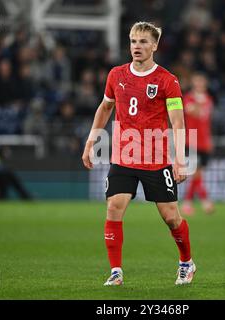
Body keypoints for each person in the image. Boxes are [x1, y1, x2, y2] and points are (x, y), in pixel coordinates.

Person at [82, 22, 195, 286]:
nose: (137, 46)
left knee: (170, 217)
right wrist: (91, 142)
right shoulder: (116, 75)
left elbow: (177, 122)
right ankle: (116, 272)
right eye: (133, 41)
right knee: (114, 208)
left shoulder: (168, 80)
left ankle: (186, 262)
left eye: (144, 42)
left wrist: (179, 159)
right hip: (123, 157)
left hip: (156, 159)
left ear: (155, 46)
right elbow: (105, 107)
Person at [181, 73, 215, 215]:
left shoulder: (208, 99)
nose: (199, 84)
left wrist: (209, 138)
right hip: (191, 140)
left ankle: (188, 202)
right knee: (196, 172)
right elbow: (193, 111)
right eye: (197, 82)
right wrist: (199, 103)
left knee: (198, 174)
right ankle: (204, 201)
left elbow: (206, 121)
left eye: (201, 82)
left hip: (204, 142)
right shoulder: (188, 98)